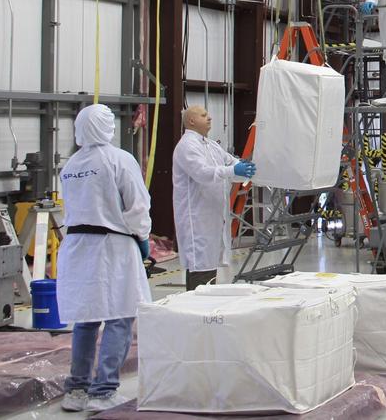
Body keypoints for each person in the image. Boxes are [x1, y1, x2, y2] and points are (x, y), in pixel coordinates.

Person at [56, 104, 152, 413]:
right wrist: (143, 237)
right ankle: (103, 389)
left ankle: (77, 388)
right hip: (113, 247)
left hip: (77, 246)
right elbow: (137, 206)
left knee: (86, 319)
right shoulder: (119, 159)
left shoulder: (71, 164)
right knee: (119, 317)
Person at [172, 105, 255, 291]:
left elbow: (231, 163)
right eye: (204, 115)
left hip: (213, 219)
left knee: (209, 269)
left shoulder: (211, 145)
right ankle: (196, 313)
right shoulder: (186, 146)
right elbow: (202, 173)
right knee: (200, 268)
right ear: (191, 121)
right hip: (197, 219)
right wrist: (233, 170)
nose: (209, 118)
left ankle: (206, 312)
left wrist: (246, 169)